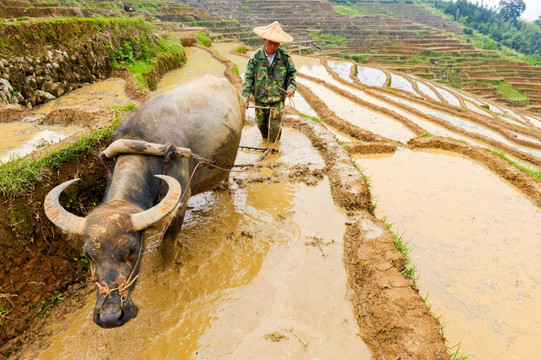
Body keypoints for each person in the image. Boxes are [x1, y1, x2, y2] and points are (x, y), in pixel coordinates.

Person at [242, 21, 297, 141]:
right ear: (264, 39)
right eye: (271, 42)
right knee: (260, 124)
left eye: (276, 44)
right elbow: (248, 78)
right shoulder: (255, 58)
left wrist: (291, 88)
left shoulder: (285, 58)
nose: (273, 46)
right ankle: (265, 140)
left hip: (277, 99)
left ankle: (274, 146)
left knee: (275, 127)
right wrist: (245, 98)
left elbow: (292, 75)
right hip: (260, 98)